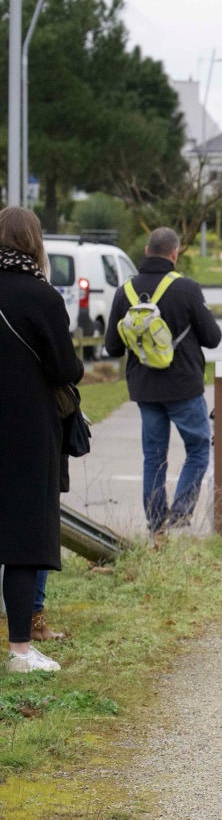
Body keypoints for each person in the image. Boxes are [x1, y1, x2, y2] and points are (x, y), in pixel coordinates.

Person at [0, 207, 82, 671]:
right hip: (26, 432)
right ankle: (19, 651)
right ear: (34, 242)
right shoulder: (42, 296)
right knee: (22, 540)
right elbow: (65, 368)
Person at [104, 227, 222, 537]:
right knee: (198, 448)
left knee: (153, 458)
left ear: (146, 251)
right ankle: (180, 514)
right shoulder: (187, 289)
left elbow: (112, 347)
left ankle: (156, 525)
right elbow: (213, 338)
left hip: (145, 388)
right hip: (184, 386)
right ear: (174, 253)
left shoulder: (125, 292)